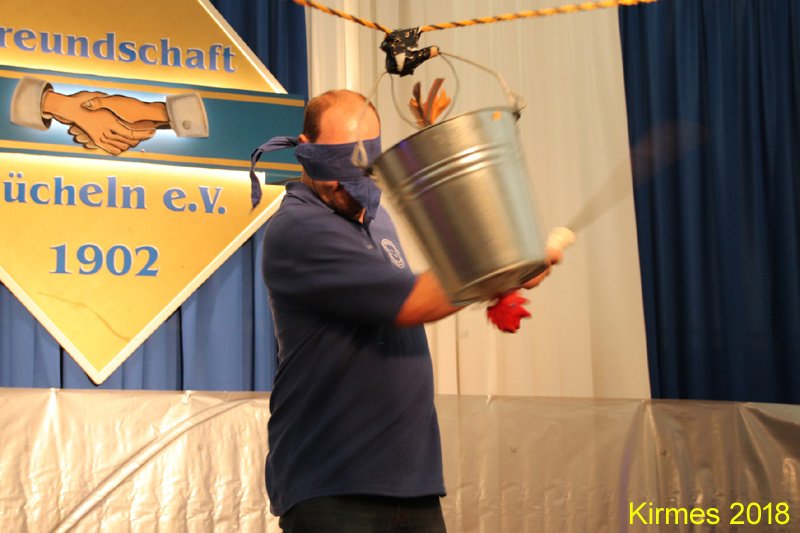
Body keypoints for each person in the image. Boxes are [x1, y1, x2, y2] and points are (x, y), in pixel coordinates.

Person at [258, 89, 560, 532]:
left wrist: (502, 273)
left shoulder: (375, 217)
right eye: (336, 166)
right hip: (332, 486)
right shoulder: (299, 229)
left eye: (362, 167)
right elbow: (417, 301)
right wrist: (510, 259)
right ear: (306, 149)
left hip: (410, 483)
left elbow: (444, 270)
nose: (349, 184)